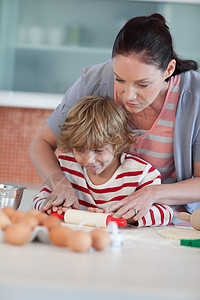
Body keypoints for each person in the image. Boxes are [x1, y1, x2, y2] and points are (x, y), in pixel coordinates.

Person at [29, 13, 200, 223]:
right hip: (98, 220)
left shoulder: (195, 99)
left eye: (142, 84)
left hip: (163, 220)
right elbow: (41, 143)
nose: (127, 96)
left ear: (169, 70)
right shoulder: (93, 82)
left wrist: (153, 193)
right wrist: (60, 184)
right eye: (119, 79)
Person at [32, 96, 173, 227]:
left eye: (98, 150)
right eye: (80, 150)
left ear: (117, 142)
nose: (89, 160)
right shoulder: (67, 166)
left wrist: (124, 217)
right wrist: (52, 207)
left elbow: (165, 213)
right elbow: (39, 200)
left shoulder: (141, 174)